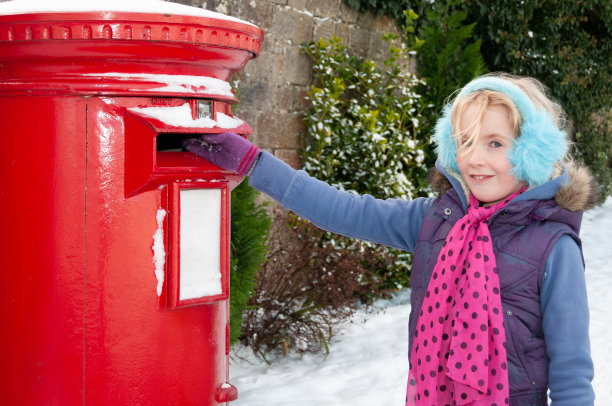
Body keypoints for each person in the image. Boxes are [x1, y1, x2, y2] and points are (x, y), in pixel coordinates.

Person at [184, 73, 596, 405]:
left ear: (533, 152)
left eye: (495, 144)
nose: (474, 158)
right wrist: (253, 163)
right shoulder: (437, 220)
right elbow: (343, 210)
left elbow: (571, 373)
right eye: (465, 142)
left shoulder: (553, 247)